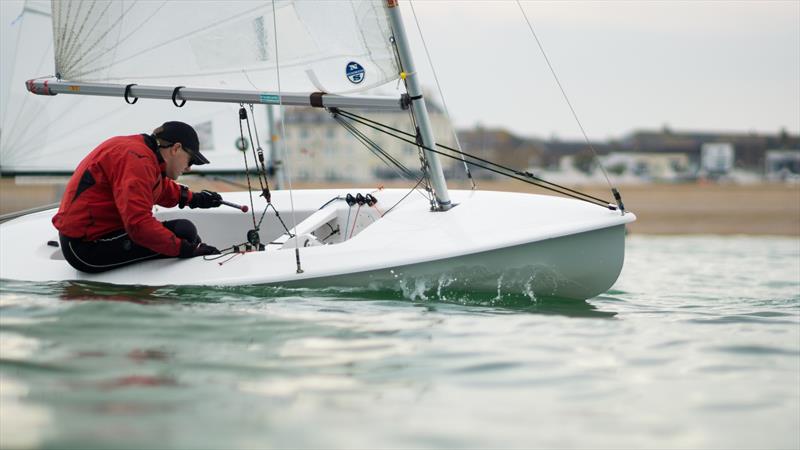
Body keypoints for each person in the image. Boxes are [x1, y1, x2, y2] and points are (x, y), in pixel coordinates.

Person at [53, 121, 223, 273]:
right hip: (85, 247)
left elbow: (156, 187)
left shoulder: (142, 152)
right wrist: (188, 250)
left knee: (185, 232)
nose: (189, 168)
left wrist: (194, 199)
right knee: (185, 234)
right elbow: (139, 225)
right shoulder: (138, 160)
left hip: (100, 234)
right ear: (176, 149)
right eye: (190, 161)